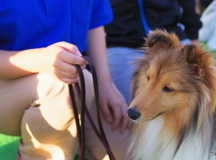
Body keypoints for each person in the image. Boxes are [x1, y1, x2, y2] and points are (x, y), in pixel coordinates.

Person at [0, 0, 129, 159]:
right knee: (60, 86)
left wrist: (104, 84)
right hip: (9, 85)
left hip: (79, 85)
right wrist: (41, 60)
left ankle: (70, 138)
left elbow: (94, 22)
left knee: (125, 152)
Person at [105, 0, 202, 104]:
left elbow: (190, 5)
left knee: (200, 90)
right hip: (120, 42)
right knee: (126, 103)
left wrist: (193, 39)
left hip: (172, 36)